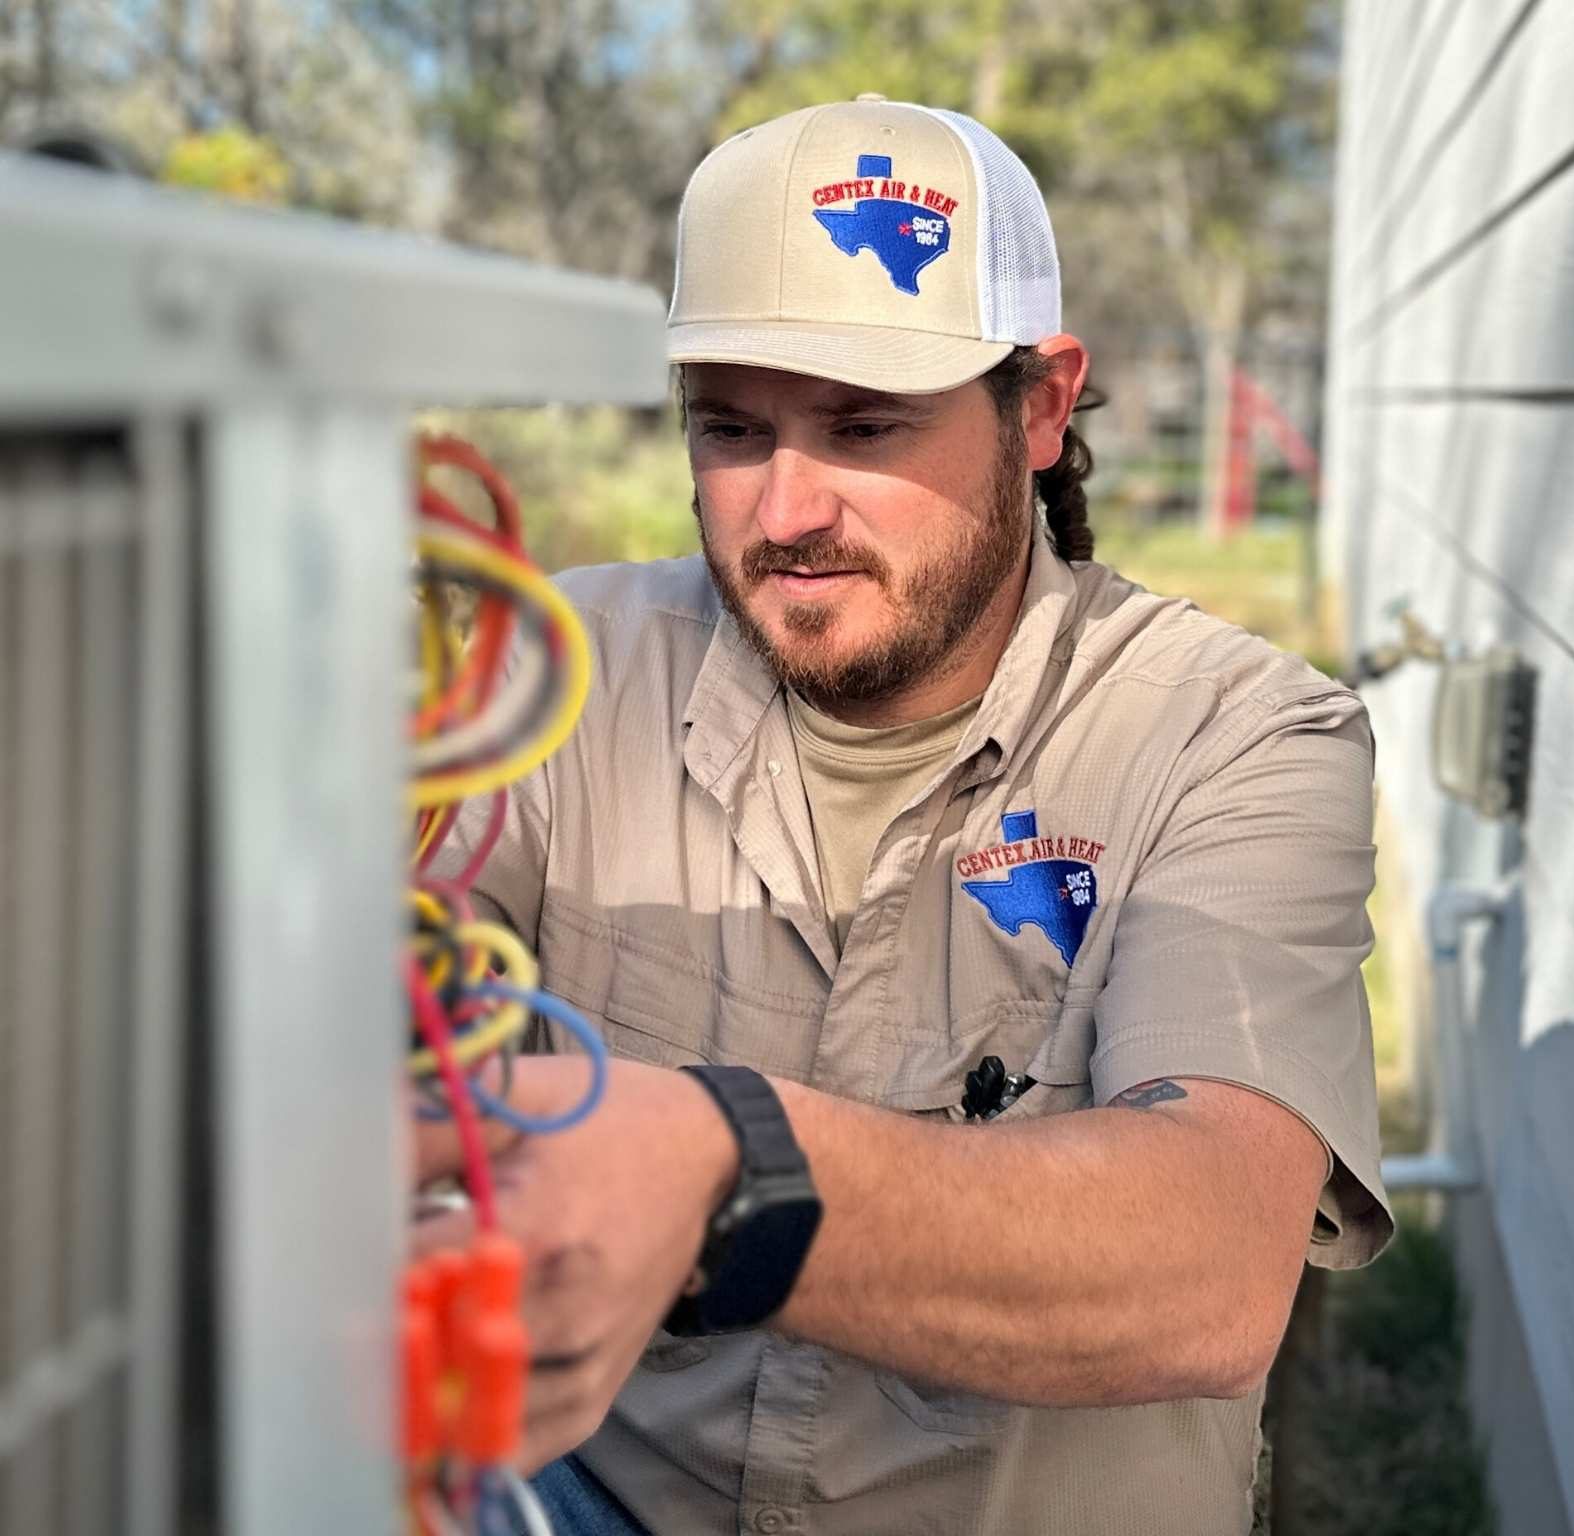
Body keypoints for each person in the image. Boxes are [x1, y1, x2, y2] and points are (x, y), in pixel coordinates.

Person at [418, 93, 1391, 1536]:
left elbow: (1208, 1262)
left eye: (864, 425)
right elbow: (374, 1014)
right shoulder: (560, 677)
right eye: (731, 428)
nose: (784, 508)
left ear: (1044, 404)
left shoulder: (1235, 736)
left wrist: (715, 1167)